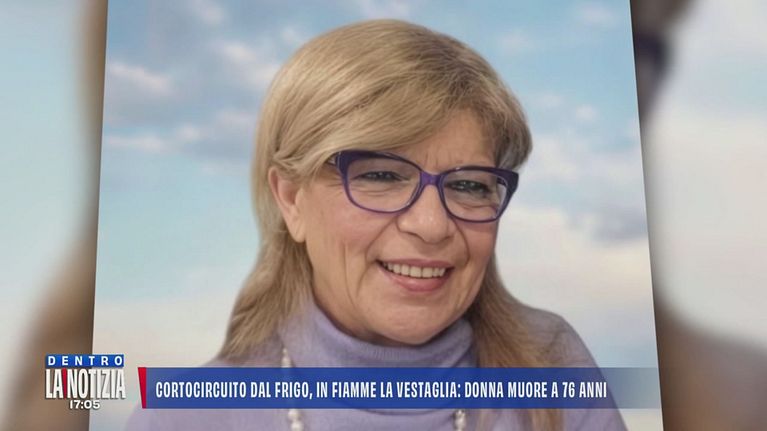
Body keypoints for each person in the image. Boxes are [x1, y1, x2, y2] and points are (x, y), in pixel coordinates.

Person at [127, 19, 625, 431]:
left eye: (470, 185)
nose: (432, 225)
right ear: (291, 200)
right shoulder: (182, 417)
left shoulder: (551, 367)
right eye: (381, 176)